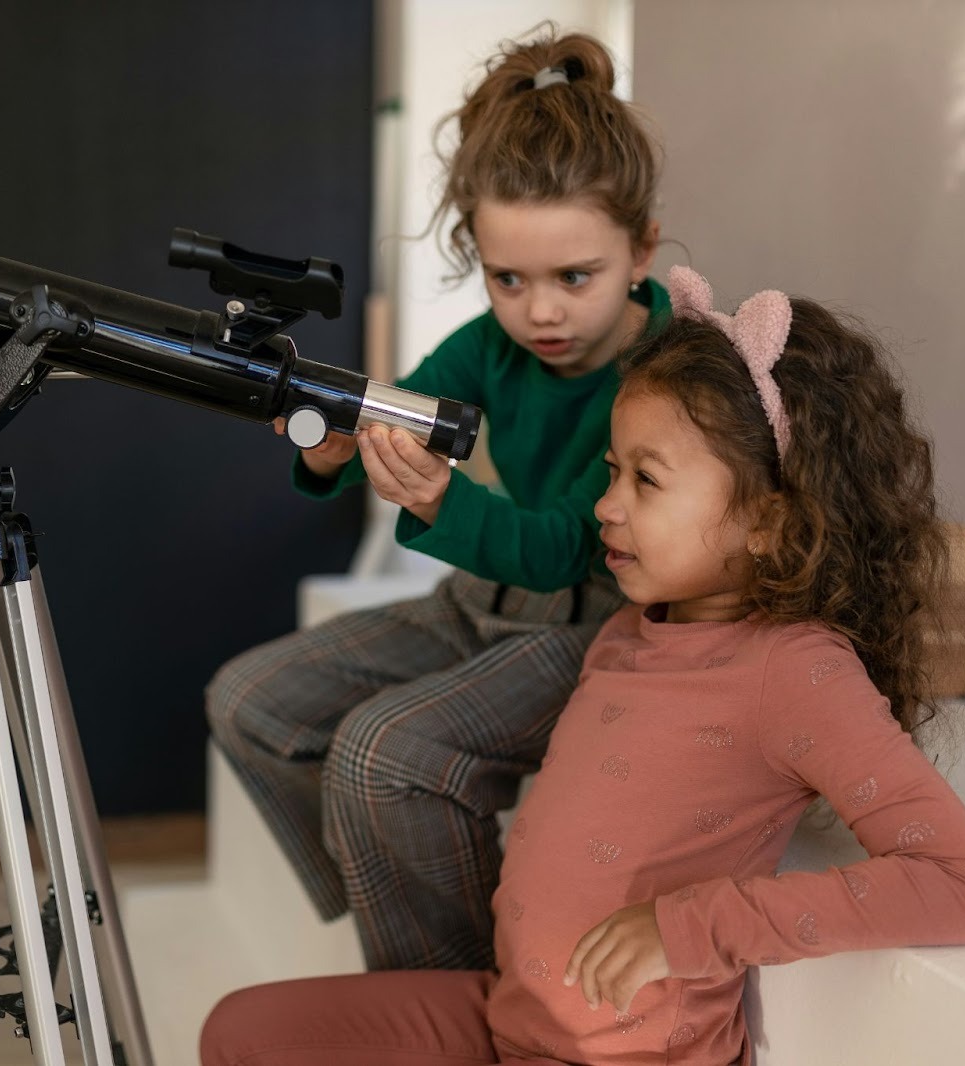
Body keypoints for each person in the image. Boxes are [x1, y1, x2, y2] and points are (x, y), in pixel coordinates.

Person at [198, 265, 965, 1066]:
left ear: (768, 521)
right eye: (613, 471)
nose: (606, 505)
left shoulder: (798, 672)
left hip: (611, 1055)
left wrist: (689, 926)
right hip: (507, 1018)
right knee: (237, 1033)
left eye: (645, 481)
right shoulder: (628, 628)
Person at [206, 27, 669, 972]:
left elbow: (556, 550)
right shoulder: (489, 345)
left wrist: (440, 505)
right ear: (481, 258)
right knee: (249, 699)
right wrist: (336, 447)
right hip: (476, 608)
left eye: (574, 277)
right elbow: (394, 411)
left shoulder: (663, 372)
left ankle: (458, 990)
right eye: (508, 279)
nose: (540, 312)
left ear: (642, 251)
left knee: (380, 752)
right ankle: (402, 902)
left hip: (591, 630)